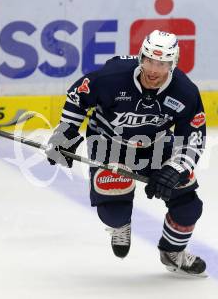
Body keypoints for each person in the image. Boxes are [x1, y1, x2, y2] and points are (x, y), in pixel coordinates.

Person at [46, 30, 207, 277]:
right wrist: (65, 134)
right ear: (141, 57)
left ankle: (172, 252)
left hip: (157, 145)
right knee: (113, 211)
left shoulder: (184, 91)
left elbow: (193, 137)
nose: (154, 69)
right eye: (150, 61)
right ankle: (120, 225)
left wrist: (175, 168)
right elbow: (78, 96)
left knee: (188, 206)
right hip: (109, 144)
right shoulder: (113, 77)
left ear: (172, 64)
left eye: (162, 64)